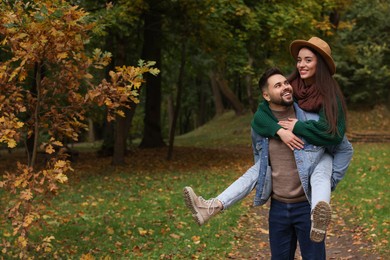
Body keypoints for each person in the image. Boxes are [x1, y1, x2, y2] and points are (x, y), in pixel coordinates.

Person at [184, 37, 353, 257]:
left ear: (319, 64)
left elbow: (338, 138)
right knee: (255, 171)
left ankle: (318, 212)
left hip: (307, 199)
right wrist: (280, 131)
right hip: (279, 207)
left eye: (308, 60)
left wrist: (300, 128)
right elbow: (259, 118)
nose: (300, 65)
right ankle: (212, 206)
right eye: (299, 60)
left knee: (323, 166)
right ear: (267, 95)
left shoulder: (319, 104)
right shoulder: (281, 101)